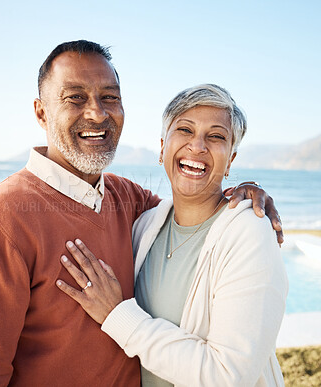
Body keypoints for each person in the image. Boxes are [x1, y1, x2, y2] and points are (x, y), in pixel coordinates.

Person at [0, 40, 282, 386]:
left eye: (110, 97)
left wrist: (245, 192)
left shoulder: (128, 201)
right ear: (41, 112)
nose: (97, 113)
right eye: (75, 97)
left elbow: (193, 206)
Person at [57, 84, 288, 386]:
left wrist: (117, 315)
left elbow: (229, 376)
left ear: (230, 160)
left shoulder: (250, 234)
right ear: (163, 147)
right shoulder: (145, 226)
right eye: (185, 130)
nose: (197, 146)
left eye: (216, 136)